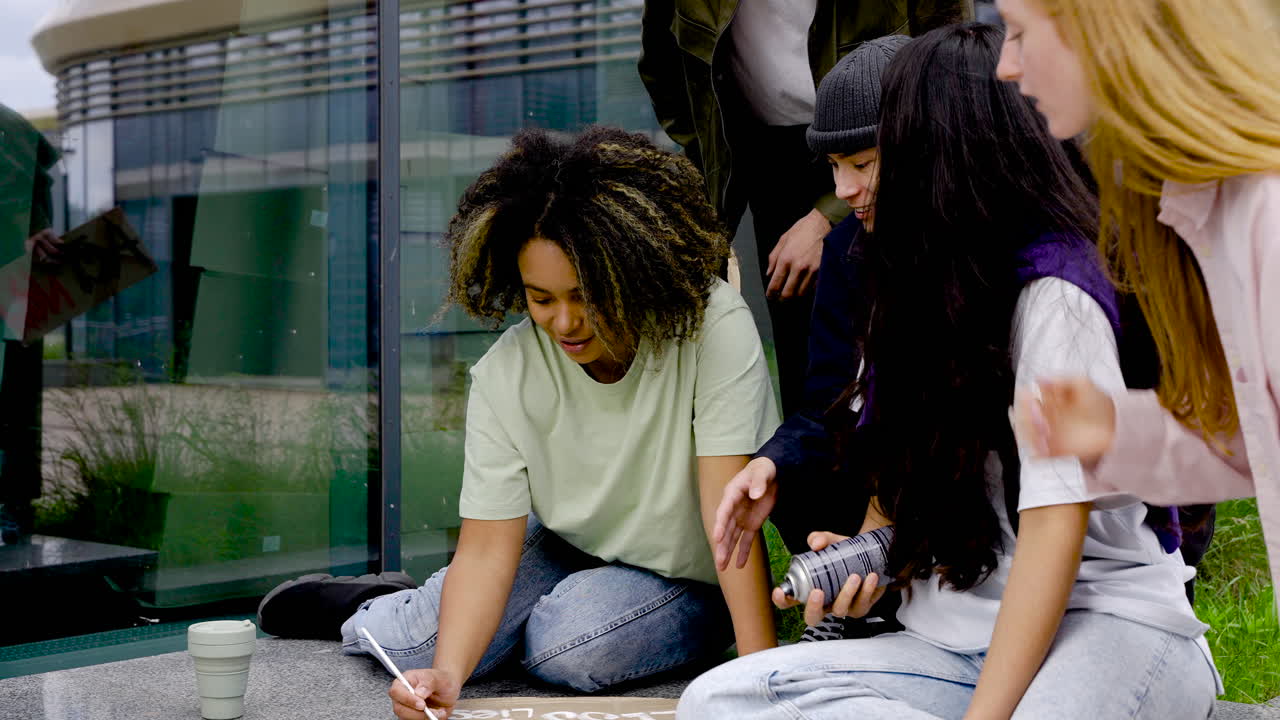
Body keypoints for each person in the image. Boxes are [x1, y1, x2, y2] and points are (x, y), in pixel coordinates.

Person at [680, 24, 1219, 720]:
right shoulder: (901, 278)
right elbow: (895, 482)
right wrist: (873, 558)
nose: (847, 191)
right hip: (954, 639)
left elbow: (1053, 534)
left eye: (870, 161)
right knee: (721, 699)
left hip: (1106, 624)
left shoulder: (1054, 291)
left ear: (945, 151)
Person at [342, 127, 780, 720]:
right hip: (569, 545)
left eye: (587, 294)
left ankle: (479, 611)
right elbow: (486, 552)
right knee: (413, 648)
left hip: (685, 571)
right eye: (542, 299)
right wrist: (445, 676)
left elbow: (726, 518)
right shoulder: (507, 374)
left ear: (630, 271)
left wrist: (761, 681)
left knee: (571, 646)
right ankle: (373, 603)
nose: (567, 322)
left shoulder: (711, 325)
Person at [999, 0, 1280, 615]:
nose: (1005, 66)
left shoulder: (1267, 215)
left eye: (1020, 33)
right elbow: (1262, 435)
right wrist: (1115, 432)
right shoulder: (1199, 203)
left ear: (1097, 31)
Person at [638, 0, 972, 415]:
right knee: (809, 368)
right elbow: (662, 64)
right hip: (767, 159)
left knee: (911, 346)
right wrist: (712, 150)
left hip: (897, 148)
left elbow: (951, 72)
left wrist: (829, 215)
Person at [0, 103, 61, 544]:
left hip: (14, 279)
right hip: (19, 281)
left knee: (17, 400)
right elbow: (40, 183)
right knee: (18, 404)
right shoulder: (15, 125)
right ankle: (14, 509)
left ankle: (13, 509)